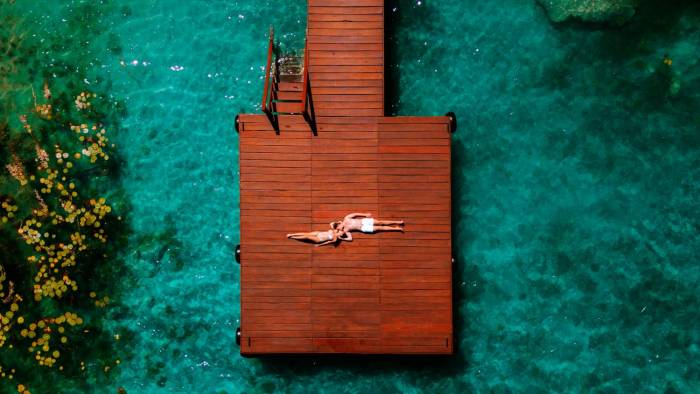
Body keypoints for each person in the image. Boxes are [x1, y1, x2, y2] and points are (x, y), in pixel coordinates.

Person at [334, 213, 404, 240]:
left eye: (338, 227)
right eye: (338, 229)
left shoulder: (346, 218)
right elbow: (350, 238)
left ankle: (398, 222)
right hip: (363, 228)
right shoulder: (345, 230)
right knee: (380, 228)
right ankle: (397, 229)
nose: (339, 229)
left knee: (380, 222)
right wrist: (342, 238)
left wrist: (365, 215)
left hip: (364, 221)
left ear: (339, 224)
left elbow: (355, 214)